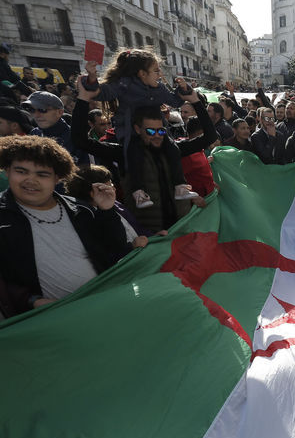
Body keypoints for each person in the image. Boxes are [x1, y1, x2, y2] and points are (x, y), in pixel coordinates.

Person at [0, 135, 127, 319]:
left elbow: (114, 249)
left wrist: (107, 212)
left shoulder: (81, 209)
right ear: (7, 171)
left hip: (102, 308)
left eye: (42, 174)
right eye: (21, 171)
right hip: (46, 323)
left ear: (57, 179)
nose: (30, 180)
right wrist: (31, 300)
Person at [82, 49, 197, 208]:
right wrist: (92, 78)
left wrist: (183, 89)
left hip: (157, 131)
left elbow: (175, 101)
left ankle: (180, 187)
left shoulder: (159, 88)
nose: (159, 74)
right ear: (142, 73)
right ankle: (139, 193)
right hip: (131, 131)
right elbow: (102, 93)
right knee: (133, 154)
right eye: (156, 71)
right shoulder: (124, 84)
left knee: (173, 149)